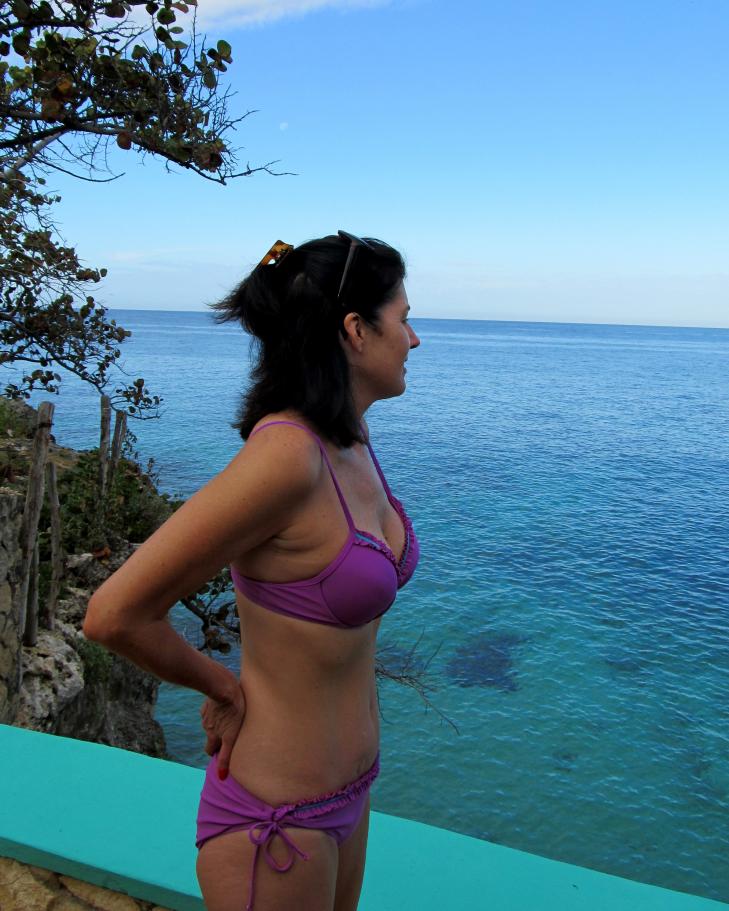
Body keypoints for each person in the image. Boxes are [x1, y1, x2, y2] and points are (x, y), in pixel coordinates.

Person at [83, 230, 421, 911]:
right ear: (355, 330)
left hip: (349, 794)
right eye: (404, 319)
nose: (414, 339)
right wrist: (222, 687)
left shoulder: (351, 439)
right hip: (278, 816)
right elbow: (113, 614)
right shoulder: (286, 457)